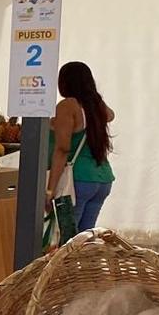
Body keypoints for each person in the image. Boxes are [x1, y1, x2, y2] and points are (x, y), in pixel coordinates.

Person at [50, 60, 116, 230]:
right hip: (102, 179)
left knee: (67, 239)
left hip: (76, 180)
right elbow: (110, 115)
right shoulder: (94, 105)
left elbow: (62, 149)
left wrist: (50, 189)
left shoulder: (67, 105)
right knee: (84, 238)